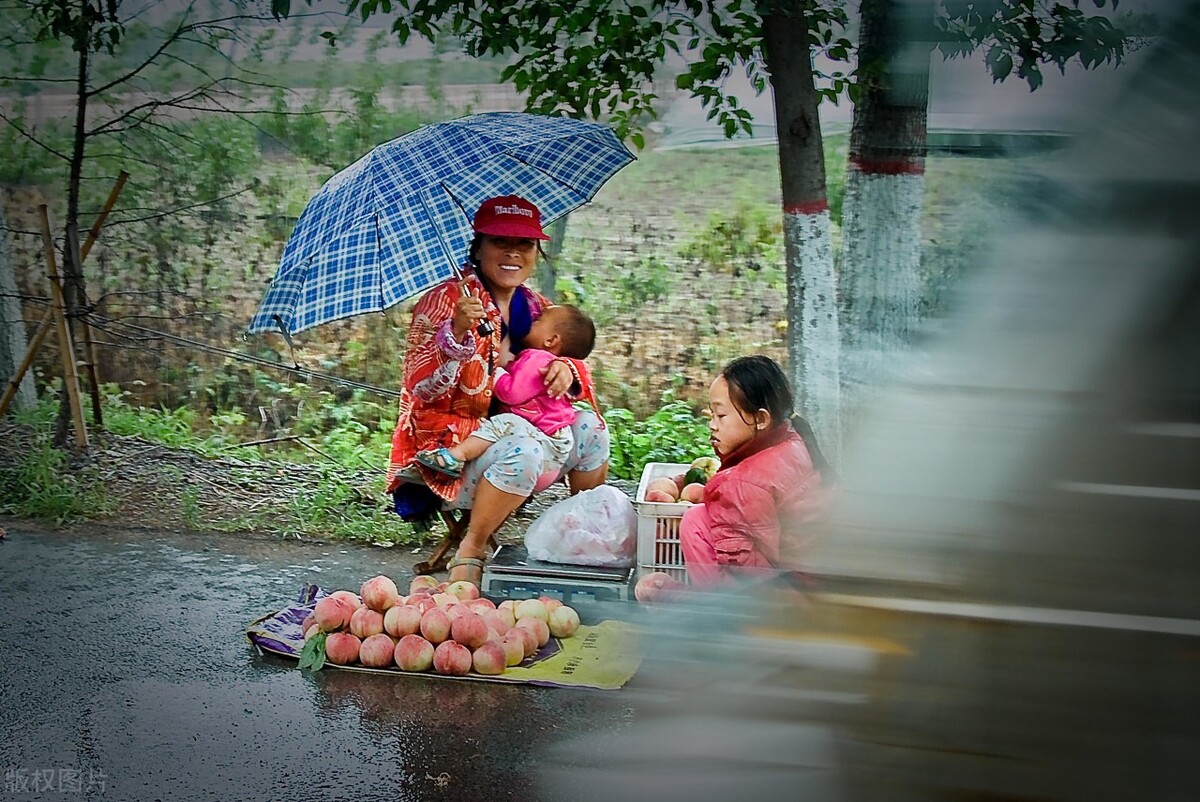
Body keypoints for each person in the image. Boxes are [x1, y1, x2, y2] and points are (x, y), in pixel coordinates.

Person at [385, 195, 609, 588]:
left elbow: (569, 356)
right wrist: (454, 335)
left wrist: (567, 368)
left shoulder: (535, 307)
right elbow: (420, 389)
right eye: (499, 241)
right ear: (478, 246)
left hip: (527, 440)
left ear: (535, 252)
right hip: (453, 451)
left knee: (590, 428)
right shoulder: (445, 301)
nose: (512, 253)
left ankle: (579, 528)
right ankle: (470, 549)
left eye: (523, 244)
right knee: (523, 448)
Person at [678, 355, 834, 588]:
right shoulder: (795, 440)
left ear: (761, 419)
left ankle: (714, 609)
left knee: (695, 520)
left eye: (721, 416)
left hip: (781, 600)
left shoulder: (740, 483)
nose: (712, 425)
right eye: (712, 415)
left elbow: (743, 568)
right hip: (817, 579)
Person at [415, 303, 598, 485]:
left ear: (551, 340)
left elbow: (510, 393)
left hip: (547, 440)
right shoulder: (538, 357)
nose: (533, 319)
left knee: (504, 423)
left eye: (539, 320)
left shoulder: (538, 359)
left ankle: (457, 455)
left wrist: (494, 372)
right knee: (508, 425)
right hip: (549, 440)